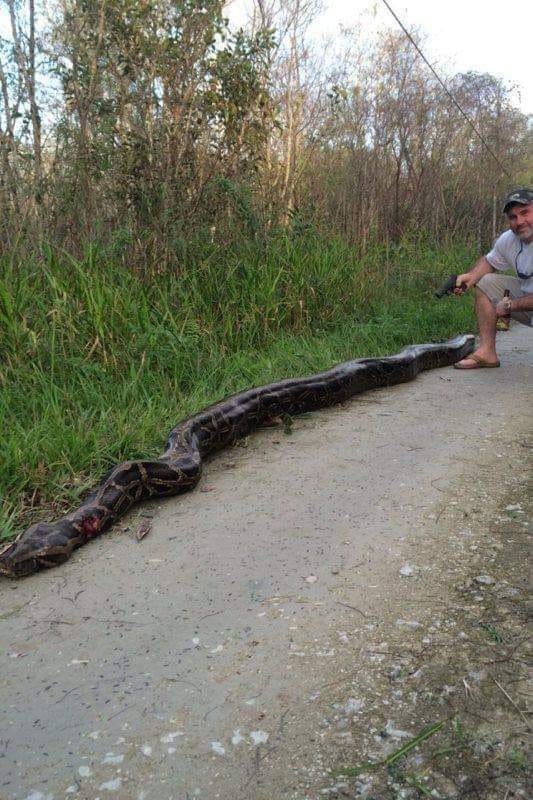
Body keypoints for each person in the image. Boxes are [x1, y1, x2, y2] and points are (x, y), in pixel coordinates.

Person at [454, 188, 533, 369]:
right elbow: (490, 261)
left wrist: (510, 305)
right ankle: (487, 352)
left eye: (524, 213)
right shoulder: (509, 239)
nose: (519, 221)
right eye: (513, 217)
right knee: (485, 281)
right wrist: (471, 276)